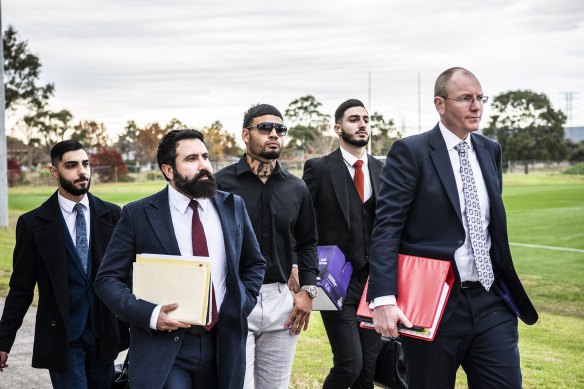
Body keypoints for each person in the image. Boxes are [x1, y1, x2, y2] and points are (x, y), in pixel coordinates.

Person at [368, 67, 538, 388]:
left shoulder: (490, 150)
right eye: (465, 99)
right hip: (434, 303)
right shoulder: (410, 152)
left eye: (479, 98)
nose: (476, 106)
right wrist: (384, 299)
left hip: (491, 300)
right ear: (440, 104)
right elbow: (386, 228)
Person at [94, 129, 266, 389]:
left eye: (205, 156)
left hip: (224, 343)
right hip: (165, 348)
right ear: (168, 170)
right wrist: (150, 315)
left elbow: (254, 263)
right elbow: (107, 280)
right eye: (191, 159)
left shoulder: (233, 206)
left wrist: (242, 302)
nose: (203, 165)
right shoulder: (137, 214)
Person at [0, 140, 128, 388]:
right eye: (71, 165)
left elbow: (129, 276)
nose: (82, 171)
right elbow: (21, 288)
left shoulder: (113, 215)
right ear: (54, 171)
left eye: (85, 164)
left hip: (105, 335)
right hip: (63, 337)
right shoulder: (33, 224)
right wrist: (3, 341)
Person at [215, 103, 319, 389]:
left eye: (280, 129)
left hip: (281, 299)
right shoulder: (219, 184)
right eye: (265, 128)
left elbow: (309, 242)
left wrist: (308, 292)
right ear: (245, 135)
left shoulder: (297, 188)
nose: (274, 134)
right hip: (235, 295)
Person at [302, 99, 383, 388]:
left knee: (367, 372)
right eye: (353, 119)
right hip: (336, 281)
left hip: (375, 285)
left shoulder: (381, 169)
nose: (362, 124)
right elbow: (303, 225)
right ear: (338, 128)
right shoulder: (319, 168)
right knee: (349, 366)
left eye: (366, 119)